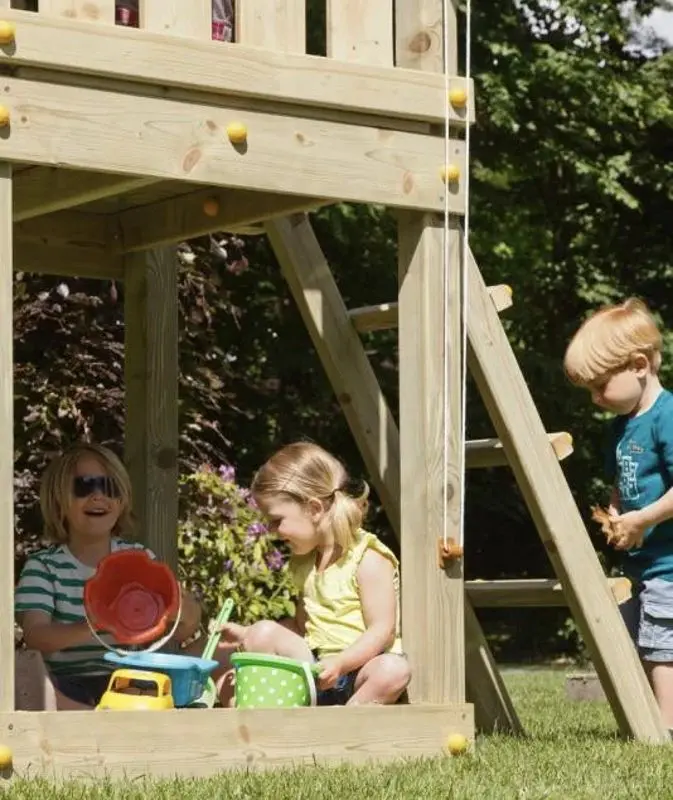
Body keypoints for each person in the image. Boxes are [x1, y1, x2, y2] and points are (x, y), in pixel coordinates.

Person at [219, 441, 411, 706]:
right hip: (315, 671)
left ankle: (349, 720)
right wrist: (248, 633)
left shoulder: (367, 558)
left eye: (276, 520)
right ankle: (284, 710)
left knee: (393, 670)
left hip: (359, 671)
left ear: (314, 509)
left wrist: (341, 663)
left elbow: (382, 630)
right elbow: (301, 626)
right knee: (261, 633)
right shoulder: (306, 562)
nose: (271, 531)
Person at [14, 442, 203, 711]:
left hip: (130, 680)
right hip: (67, 683)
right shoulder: (44, 566)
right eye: (84, 487)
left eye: (110, 488)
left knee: (216, 650)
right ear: (59, 502)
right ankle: (93, 717)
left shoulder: (139, 558)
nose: (98, 496)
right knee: (21, 669)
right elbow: (36, 636)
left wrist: (186, 612)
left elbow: (182, 630)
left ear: (122, 500)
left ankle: (111, 717)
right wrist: (95, 624)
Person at [564, 297, 673, 726]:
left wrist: (642, 519)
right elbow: (619, 484)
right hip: (644, 565)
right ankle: (648, 721)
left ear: (639, 365)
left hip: (670, 565)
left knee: (662, 644)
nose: (595, 398)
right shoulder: (621, 427)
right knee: (631, 638)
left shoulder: (667, 417)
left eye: (600, 386)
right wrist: (615, 512)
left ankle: (666, 730)